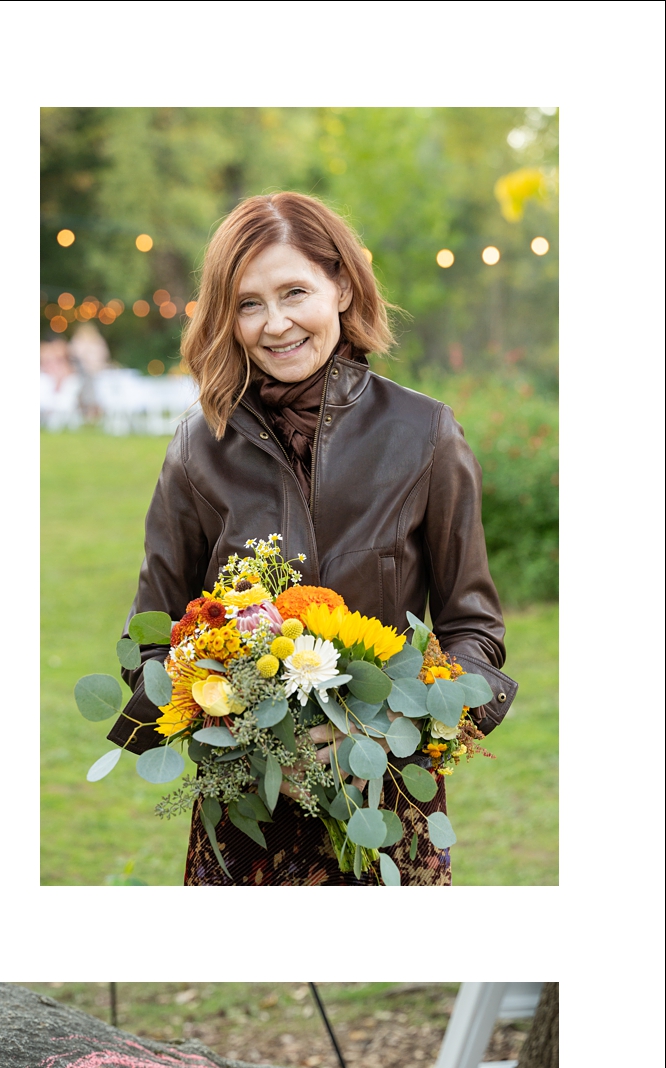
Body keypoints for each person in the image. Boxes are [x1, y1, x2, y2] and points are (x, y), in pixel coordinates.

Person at [110, 191, 514, 885]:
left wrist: (388, 725)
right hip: (245, 819)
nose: (276, 324)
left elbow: (474, 630)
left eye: (294, 291)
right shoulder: (195, 451)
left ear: (342, 286)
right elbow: (150, 646)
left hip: (386, 808)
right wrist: (248, 731)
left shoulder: (425, 435)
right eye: (247, 304)